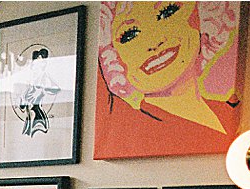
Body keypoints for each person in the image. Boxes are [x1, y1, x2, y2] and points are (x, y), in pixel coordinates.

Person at [95, 1, 240, 159]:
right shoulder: (123, 125)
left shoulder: (231, 113)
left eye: (167, 12)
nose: (154, 42)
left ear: (200, 16)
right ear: (112, 54)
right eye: (130, 35)